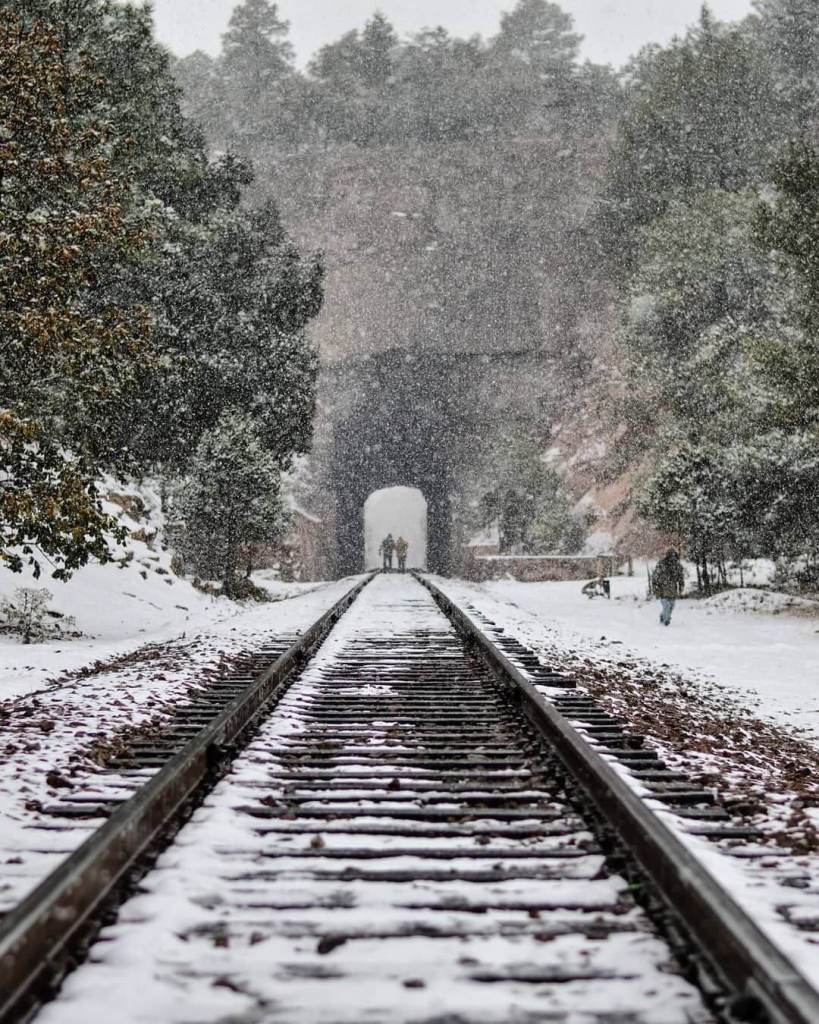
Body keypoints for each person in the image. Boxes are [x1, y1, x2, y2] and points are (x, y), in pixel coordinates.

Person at [651, 549, 684, 626]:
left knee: (671, 607)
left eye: (674, 556)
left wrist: (681, 588)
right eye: (671, 556)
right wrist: (656, 590)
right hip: (663, 590)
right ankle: (666, 620)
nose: (673, 558)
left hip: (673, 591)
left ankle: (663, 616)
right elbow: (655, 578)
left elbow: (681, 578)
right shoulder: (661, 564)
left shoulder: (678, 566)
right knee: (666, 606)